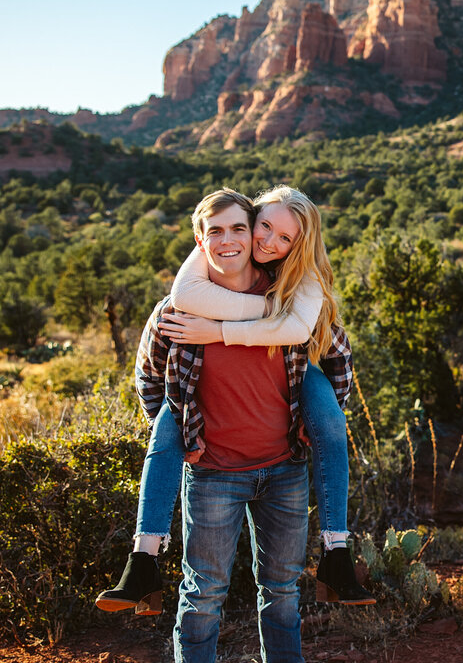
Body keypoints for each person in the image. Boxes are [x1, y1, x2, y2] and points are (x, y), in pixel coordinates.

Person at [97, 185, 372, 616]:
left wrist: (313, 417)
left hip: (289, 438)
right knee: (167, 424)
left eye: (285, 238)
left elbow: (335, 349)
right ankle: (143, 558)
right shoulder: (184, 299)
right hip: (214, 469)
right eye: (264, 227)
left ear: (299, 244)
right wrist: (182, 428)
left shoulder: (299, 281)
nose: (268, 242)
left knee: (332, 423)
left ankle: (337, 551)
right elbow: (149, 374)